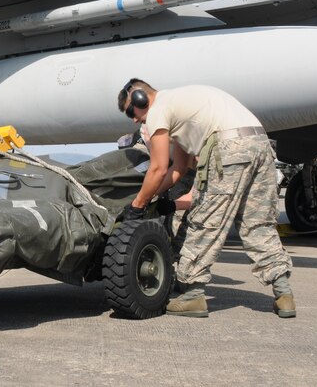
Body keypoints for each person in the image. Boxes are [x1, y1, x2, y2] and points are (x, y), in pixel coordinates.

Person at [116, 78, 294, 318]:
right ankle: (284, 295)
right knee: (258, 224)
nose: (135, 119)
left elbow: (157, 168)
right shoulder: (180, 106)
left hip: (229, 148)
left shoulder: (159, 109)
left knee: (204, 221)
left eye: (131, 111)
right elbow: (178, 169)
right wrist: (158, 198)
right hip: (260, 145)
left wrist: (137, 205)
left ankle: (193, 296)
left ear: (140, 98)